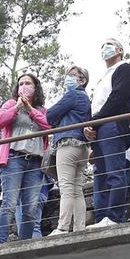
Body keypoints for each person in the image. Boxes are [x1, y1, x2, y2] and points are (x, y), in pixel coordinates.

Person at [0, 72, 52, 242]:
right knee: (9, 205)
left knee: (30, 209)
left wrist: (30, 110)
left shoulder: (42, 110)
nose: (23, 86)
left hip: (35, 163)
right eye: (20, 84)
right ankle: (1, 246)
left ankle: (23, 246)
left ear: (36, 88)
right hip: (13, 160)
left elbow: (48, 125)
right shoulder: (11, 103)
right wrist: (17, 107)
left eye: (28, 83)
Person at [86, 40, 130, 227]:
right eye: (103, 45)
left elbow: (117, 98)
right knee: (101, 175)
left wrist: (95, 122)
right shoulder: (102, 78)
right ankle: (102, 218)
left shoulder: (124, 68)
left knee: (115, 172)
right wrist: (90, 126)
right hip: (100, 126)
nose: (105, 47)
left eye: (110, 44)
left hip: (112, 124)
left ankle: (114, 217)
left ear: (120, 50)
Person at [47, 66, 92, 235]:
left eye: (74, 75)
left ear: (82, 80)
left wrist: (56, 119)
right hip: (82, 147)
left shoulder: (73, 94)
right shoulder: (86, 99)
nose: (69, 78)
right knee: (76, 189)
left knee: (66, 187)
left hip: (67, 144)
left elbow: (50, 115)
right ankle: (79, 227)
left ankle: (63, 227)